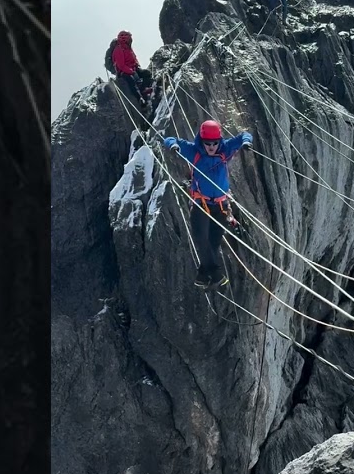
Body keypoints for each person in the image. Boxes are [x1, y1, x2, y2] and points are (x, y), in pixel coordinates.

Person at [163, 120, 254, 288]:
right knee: (201, 238)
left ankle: (203, 276)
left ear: (219, 141)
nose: (211, 147)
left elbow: (243, 135)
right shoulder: (193, 151)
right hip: (201, 203)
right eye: (207, 143)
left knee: (213, 241)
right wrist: (173, 146)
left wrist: (247, 142)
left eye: (214, 143)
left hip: (220, 205)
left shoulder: (225, 149)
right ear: (202, 141)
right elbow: (169, 138)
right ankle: (216, 273)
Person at [109, 30, 155, 110]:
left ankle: (144, 89)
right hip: (123, 72)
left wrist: (137, 67)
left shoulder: (128, 48)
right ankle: (139, 98)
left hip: (133, 69)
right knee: (131, 80)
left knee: (146, 73)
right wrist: (131, 71)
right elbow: (121, 65)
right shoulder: (118, 49)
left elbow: (134, 59)